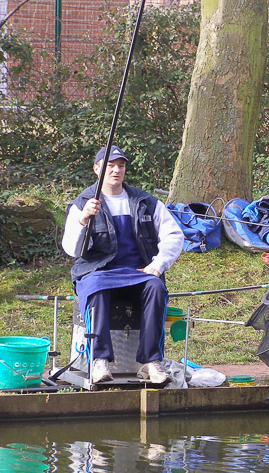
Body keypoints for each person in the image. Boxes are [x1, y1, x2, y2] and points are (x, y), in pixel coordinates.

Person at [62, 146, 184, 384]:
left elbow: (174, 235)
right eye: (110, 165)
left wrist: (158, 265)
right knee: (95, 286)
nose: (116, 170)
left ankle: (150, 362)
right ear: (97, 169)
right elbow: (72, 250)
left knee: (156, 287)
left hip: (137, 272)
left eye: (121, 165)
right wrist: (83, 219)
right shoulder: (82, 203)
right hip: (97, 271)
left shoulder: (145, 201)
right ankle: (99, 360)